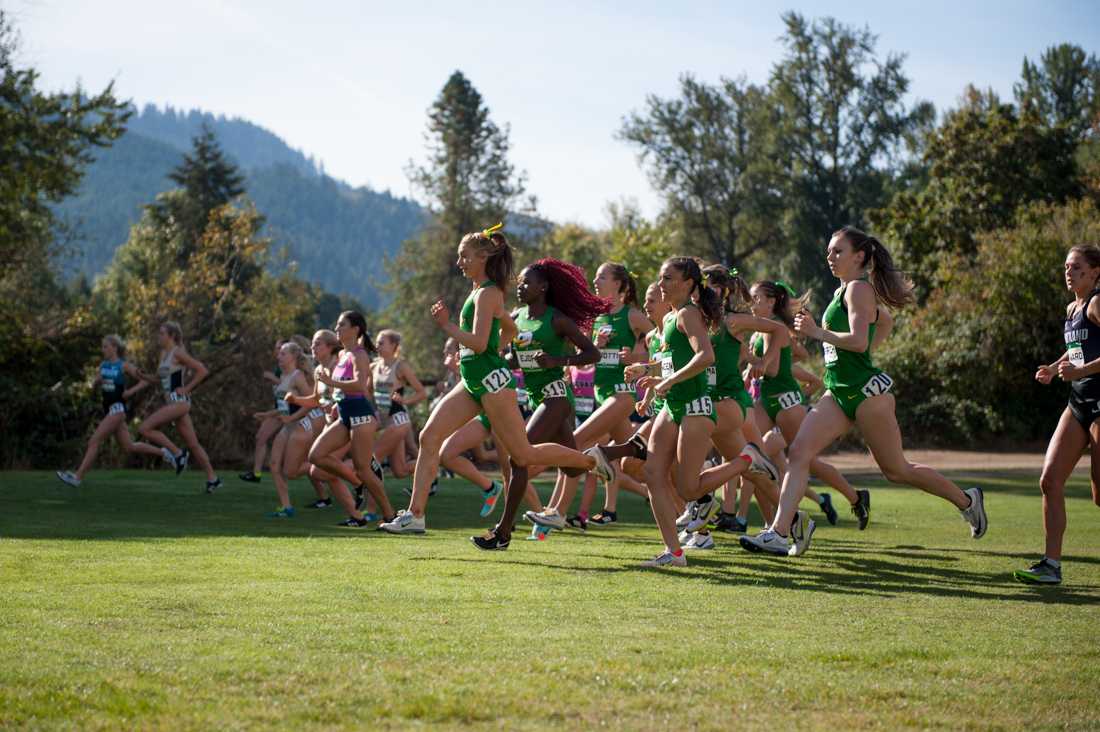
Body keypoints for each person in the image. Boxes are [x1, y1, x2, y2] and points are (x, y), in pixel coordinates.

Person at [740, 227, 988, 557]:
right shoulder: (844, 291)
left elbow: (857, 340)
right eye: (829, 251)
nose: (830, 257)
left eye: (838, 251)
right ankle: (779, 533)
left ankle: (967, 500)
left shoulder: (858, 290)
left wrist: (818, 332)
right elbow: (884, 322)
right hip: (838, 393)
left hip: (868, 395)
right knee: (799, 452)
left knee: (896, 470)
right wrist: (861, 347)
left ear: (859, 256)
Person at [382, 225, 600, 536]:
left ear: (483, 257)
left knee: (522, 455)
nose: (460, 262)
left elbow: (481, 343)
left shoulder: (488, 293)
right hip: (474, 379)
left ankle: (591, 461)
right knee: (429, 437)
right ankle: (415, 515)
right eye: (459, 257)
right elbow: (508, 330)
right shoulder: (481, 293)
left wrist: (448, 327)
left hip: (492, 382)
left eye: (464, 256)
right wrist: (489, 351)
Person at [472, 258, 605, 550]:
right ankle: (613, 453)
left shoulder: (557, 319)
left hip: (556, 396)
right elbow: (509, 357)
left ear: (543, 287)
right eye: (519, 282)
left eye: (527, 282)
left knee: (520, 457)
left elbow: (592, 354)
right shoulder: (516, 317)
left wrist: (558, 360)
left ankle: (503, 532)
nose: (520, 286)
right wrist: (510, 361)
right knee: (572, 468)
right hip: (535, 397)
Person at [525, 262, 651, 531]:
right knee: (637, 462)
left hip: (622, 394)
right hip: (602, 395)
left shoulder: (632, 315)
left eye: (601, 277)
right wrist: (597, 348)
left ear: (619, 284)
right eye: (595, 277)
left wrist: (638, 356)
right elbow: (583, 363)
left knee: (575, 444)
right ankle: (689, 511)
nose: (596, 281)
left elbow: (664, 342)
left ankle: (557, 511)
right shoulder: (597, 317)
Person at [748, 279, 869, 527]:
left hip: (786, 402)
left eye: (756, 298)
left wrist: (746, 356)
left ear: (771, 302)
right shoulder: (759, 328)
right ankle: (771, 526)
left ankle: (856, 497)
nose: (751, 304)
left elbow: (769, 371)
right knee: (747, 453)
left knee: (805, 461)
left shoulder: (777, 327)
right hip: (766, 399)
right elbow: (777, 365)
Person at [1017, 245, 1100, 585]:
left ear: (1095, 272)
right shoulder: (1072, 308)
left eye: (1076, 267)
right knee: (1049, 480)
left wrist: (1080, 373)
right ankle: (1051, 565)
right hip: (1078, 403)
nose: (1069, 272)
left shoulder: (1097, 303)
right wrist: (1053, 369)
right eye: (1066, 267)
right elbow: (1077, 348)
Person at [306, 312, 395, 527]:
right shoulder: (344, 355)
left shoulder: (359, 354)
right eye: (336, 325)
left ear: (355, 329)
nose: (337, 329)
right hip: (346, 413)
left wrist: (331, 383)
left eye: (341, 325)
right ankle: (357, 485)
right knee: (316, 455)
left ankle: (391, 516)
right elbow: (347, 387)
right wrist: (337, 401)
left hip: (361, 416)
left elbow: (360, 385)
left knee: (363, 468)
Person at [55, 335, 168, 487]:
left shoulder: (124, 365)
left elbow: (145, 380)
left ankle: (77, 477)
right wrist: (95, 383)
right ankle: (166, 453)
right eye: (103, 347)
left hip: (117, 409)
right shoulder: (103, 366)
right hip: (109, 410)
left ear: (115, 347)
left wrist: (130, 391)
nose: (103, 350)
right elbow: (95, 384)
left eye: (105, 347)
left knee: (94, 440)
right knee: (129, 446)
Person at [135, 321, 222, 493]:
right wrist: (144, 376)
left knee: (144, 428)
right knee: (194, 444)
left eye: (161, 333)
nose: (158, 336)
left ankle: (177, 453)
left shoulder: (178, 353)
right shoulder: (163, 354)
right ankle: (213, 479)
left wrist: (187, 388)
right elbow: (160, 379)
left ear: (171, 336)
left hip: (179, 402)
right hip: (173, 403)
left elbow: (202, 370)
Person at [259, 342, 318, 517]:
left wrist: (291, 418)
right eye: (279, 354)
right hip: (287, 427)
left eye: (283, 354)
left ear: (293, 356)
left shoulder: (298, 376)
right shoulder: (284, 375)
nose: (279, 356)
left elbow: (311, 403)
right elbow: (285, 406)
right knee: (274, 465)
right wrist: (268, 414)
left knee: (290, 472)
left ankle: (322, 466)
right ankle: (286, 507)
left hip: (301, 426)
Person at [371, 329, 427, 479]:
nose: (377, 345)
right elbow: (365, 392)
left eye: (381, 343)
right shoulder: (373, 366)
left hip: (397, 419)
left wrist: (405, 401)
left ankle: (365, 498)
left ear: (394, 345)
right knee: (400, 471)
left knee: (371, 460)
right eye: (376, 342)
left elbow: (422, 393)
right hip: (381, 420)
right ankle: (432, 461)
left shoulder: (401, 366)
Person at [240, 339, 288, 484]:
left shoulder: (291, 367)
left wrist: (273, 379)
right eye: (276, 348)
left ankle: (324, 474)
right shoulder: (279, 367)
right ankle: (257, 473)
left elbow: (293, 386)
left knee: (299, 457)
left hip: (293, 412)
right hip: (280, 410)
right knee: (260, 437)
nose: (277, 351)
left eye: (281, 348)